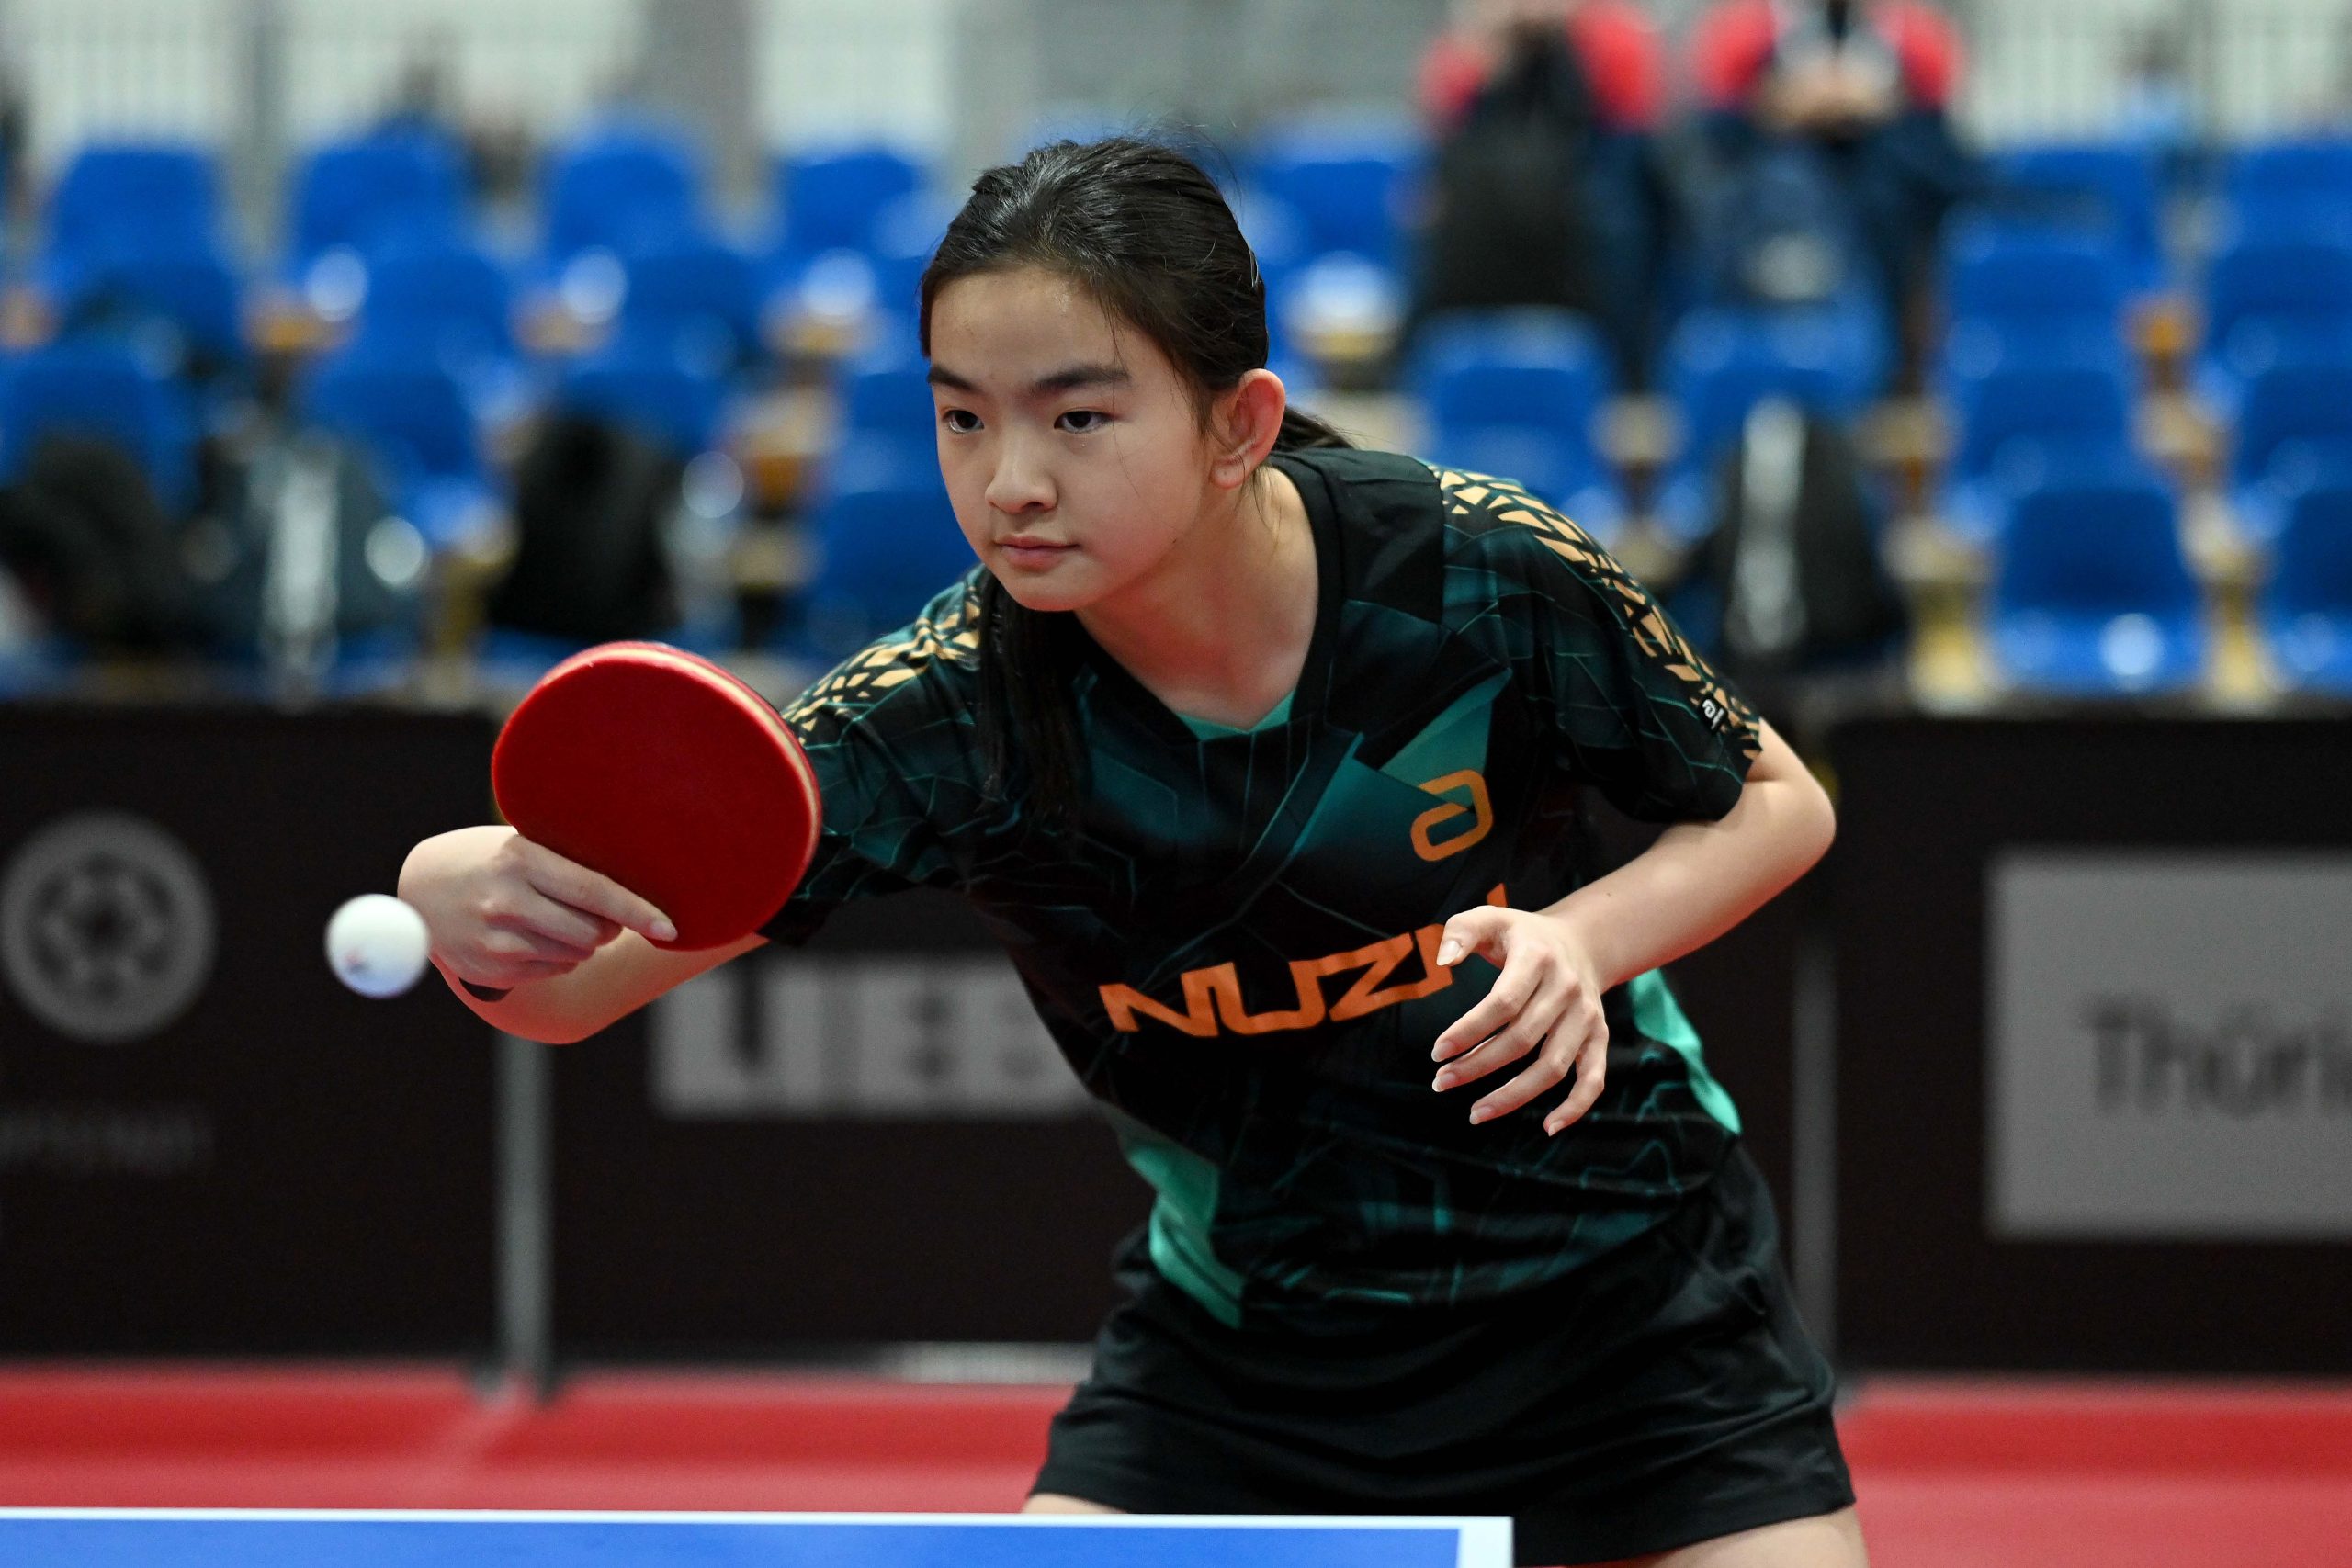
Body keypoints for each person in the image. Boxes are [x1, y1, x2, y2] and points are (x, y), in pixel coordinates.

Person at [398, 139, 1859, 1568]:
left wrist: (1584, 940)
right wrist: (469, 906)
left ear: (1239, 425)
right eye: (962, 418)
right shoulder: (948, 715)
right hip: (1250, 1368)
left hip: (1634, 1325)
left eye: (1078, 418)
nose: (1009, 483)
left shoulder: (1471, 571)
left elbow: (1779, 803)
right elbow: (566, 995)